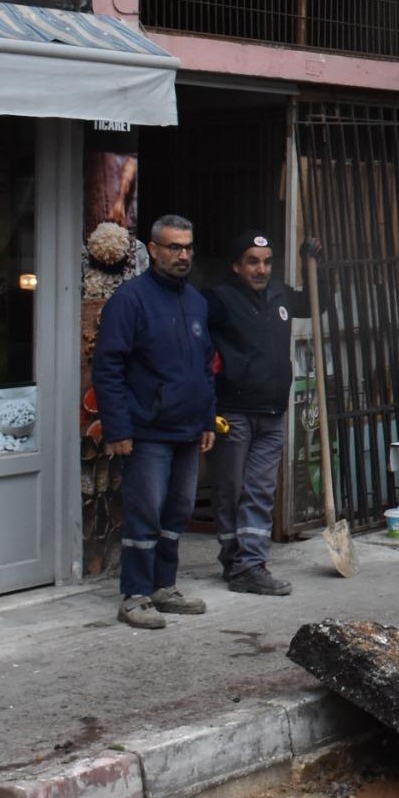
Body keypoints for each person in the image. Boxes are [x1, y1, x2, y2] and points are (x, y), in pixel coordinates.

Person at [91, 214, 216, 629]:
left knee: (177, 512)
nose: (183, 255)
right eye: (174, 247)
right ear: (153, 249)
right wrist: (118, 429)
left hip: (187, 429)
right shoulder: (130, 300)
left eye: (188, 247)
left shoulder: (196, 301)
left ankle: (164, 587)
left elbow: (203, 368)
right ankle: (135, 595)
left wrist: (206, 421)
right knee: (145, 512)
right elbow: (108, 368)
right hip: (146, 431)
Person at [205, 230, 304, 596]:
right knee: (231, 491)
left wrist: (316, 267)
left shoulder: (280, 295)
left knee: (260, 491)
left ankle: (251, 565)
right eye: (252, 261)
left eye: (266, 262)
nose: (261, 269)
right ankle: (236, 561)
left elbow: (316, 304)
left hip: (272, 411)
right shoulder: (217, 300)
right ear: (236, 265)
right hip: (233, 412)